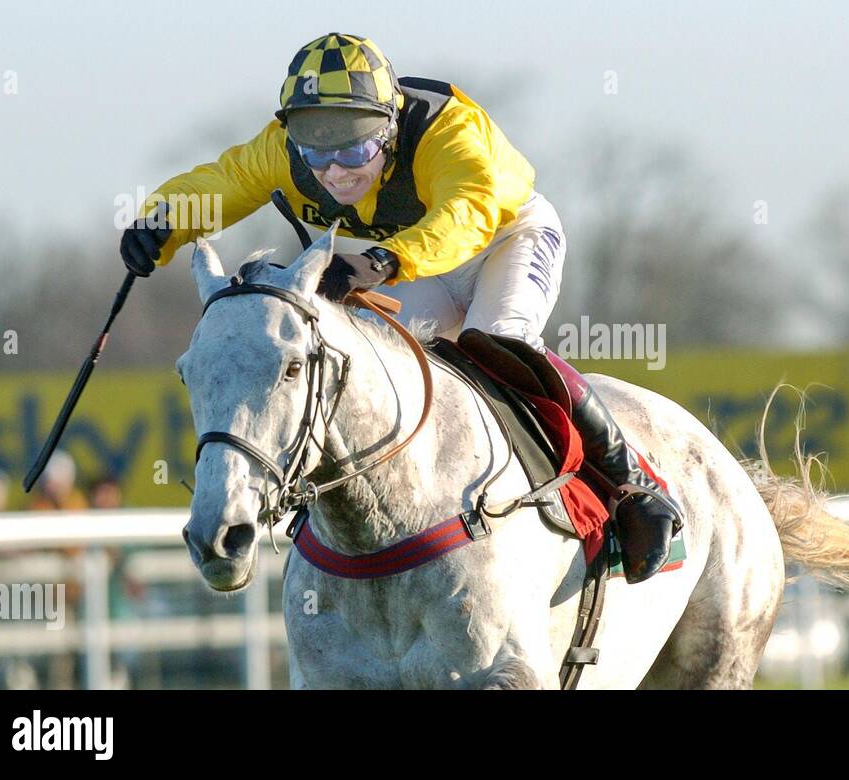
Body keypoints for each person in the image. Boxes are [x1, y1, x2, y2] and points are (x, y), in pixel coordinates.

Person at [118, 33, 678, 581]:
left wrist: (385, 261)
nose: (335, 169)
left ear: (388, 125)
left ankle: (632, 487)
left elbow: (466, 213)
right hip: (417, 261)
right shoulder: (285, 153)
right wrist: (159, 222)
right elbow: (226, 179)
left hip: (504, 239)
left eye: (354, 147)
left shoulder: (448, 131)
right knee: (373, 363)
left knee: (498, 340)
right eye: (316, 148)